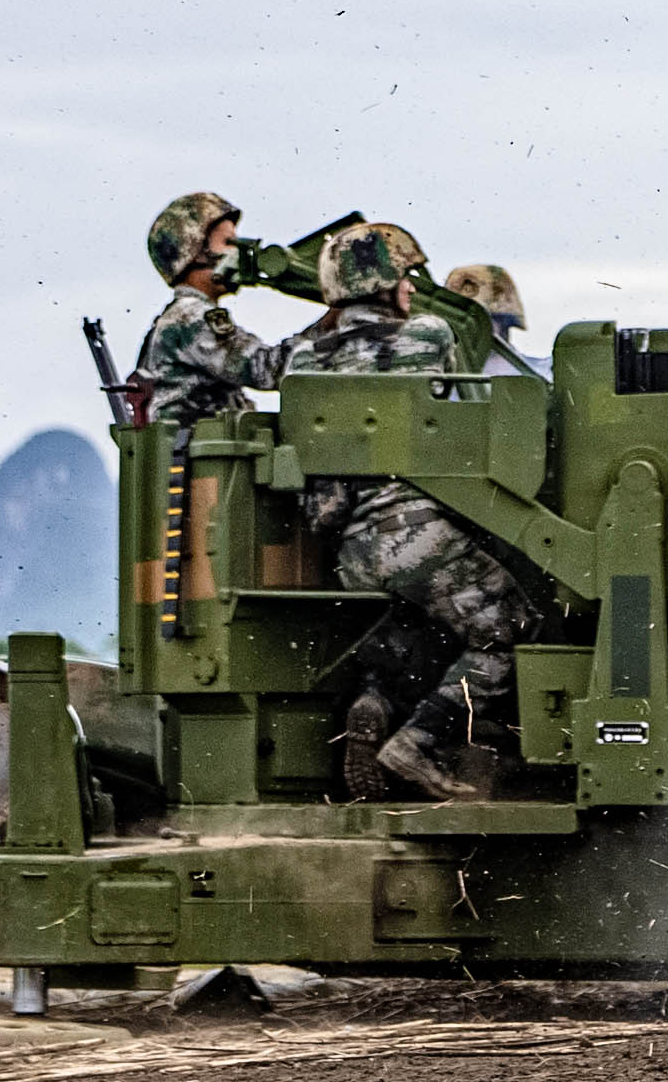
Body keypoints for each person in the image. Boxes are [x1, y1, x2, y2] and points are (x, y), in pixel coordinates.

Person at [294, 222, 546, 798]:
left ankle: (375, 701)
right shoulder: (427, 334)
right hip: (411, 532)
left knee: (434, 620)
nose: (413, 287)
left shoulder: (306, 353)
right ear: (386, 283)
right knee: (509, 626)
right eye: (406, 277)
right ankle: (416, 743)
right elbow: (474, 421)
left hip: (348, 552)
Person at [133, 191, 288, 427]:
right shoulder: (191, 317)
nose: (236, 252)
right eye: (227, 243)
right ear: (193, 252)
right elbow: (267, 369)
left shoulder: (184, 315)